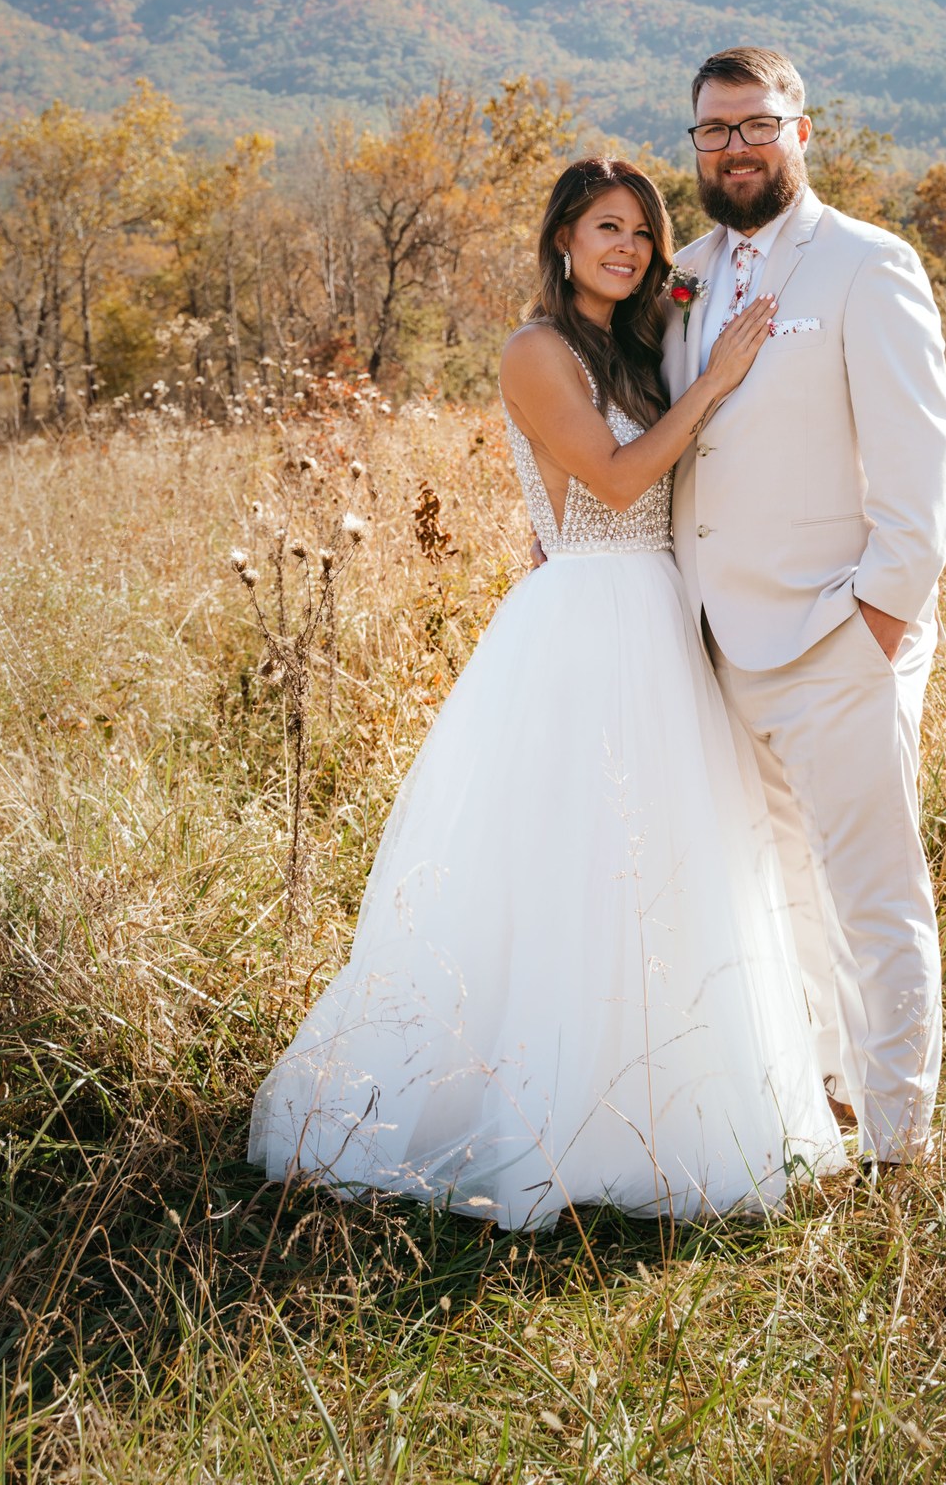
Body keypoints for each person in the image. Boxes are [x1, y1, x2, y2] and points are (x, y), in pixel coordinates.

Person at [249, 157, 844, 1226]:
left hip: (659, 612)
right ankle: (543, 1117)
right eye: (607, 228)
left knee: (669, 861)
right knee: (573, 868)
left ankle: (667, 1110)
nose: (628, 248)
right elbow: (614, 482)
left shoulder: (633, 346)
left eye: (644, 235)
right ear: (562, 238)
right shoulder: (536, 349)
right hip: (586, 623)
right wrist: (719, 380)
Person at [665, 47, 946, 1164]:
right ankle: (824, 1097)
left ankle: (897, 1140)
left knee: (876, 892)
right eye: (713, 130)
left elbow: (918, 470)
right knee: (783, 887)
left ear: (802, 129)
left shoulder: (866, 265)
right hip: (721, 643)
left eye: (755, 123)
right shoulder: (682, 273)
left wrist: (877, 620)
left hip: (838, 636)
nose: (734, 146)